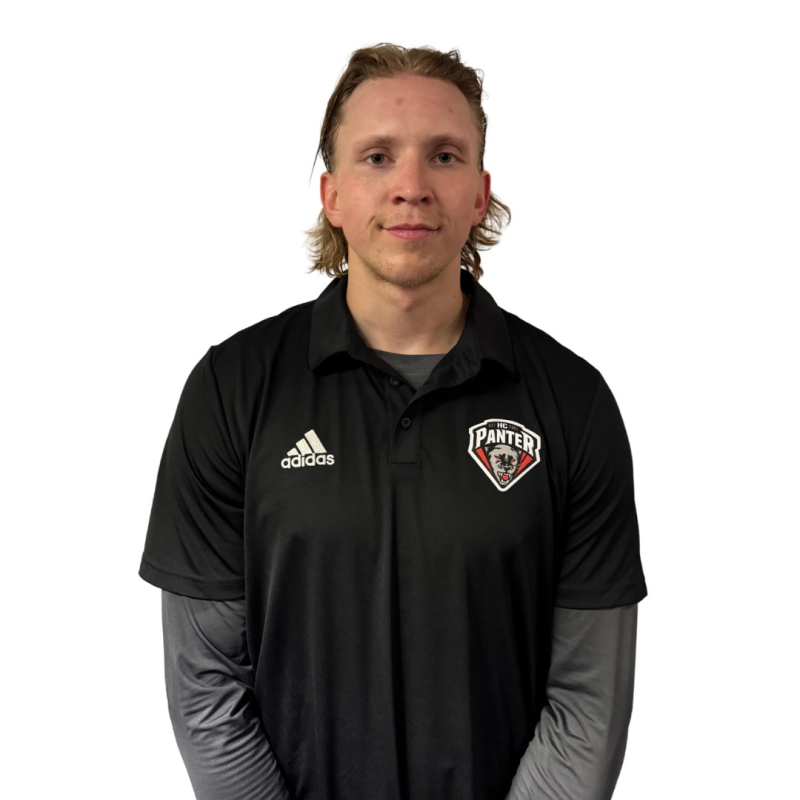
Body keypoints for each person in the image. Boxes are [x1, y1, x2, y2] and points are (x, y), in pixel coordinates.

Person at [139, 43, 648, 800]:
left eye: (444, 156)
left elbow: (588, 703)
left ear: (479, 194)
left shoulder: (574, 403)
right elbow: (206, 689)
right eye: (378, 157)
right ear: (332, 195)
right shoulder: (230, 390)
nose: (411, 186)